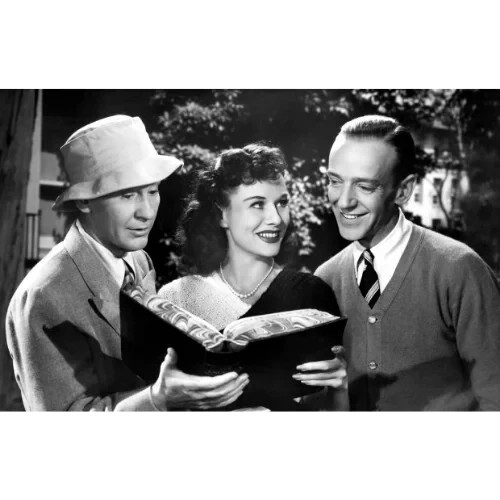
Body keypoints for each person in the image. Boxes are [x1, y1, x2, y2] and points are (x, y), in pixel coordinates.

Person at [5, 115, 249, 411]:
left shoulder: (138, 260)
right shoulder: (43, 296)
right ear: (84, 202)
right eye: (128, 195)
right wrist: (157, 399)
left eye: (152, 191)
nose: (146, 212)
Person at [315, 114, 500, 411]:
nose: (344, 200)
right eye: (335, 181)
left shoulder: (459, 270)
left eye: (365, 186)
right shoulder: (324, 280)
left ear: (403, 190)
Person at [158, 143, 348, 410]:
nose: (276, 219)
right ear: (221, 214)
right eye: (257, 204)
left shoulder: (312, 294)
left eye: (282, 203)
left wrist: (340, 387)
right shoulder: (176, 298)